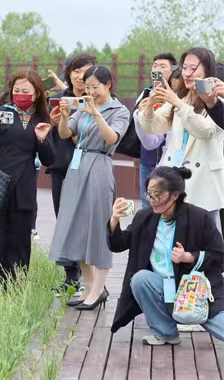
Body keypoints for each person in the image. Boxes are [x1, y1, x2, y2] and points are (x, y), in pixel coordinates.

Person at [108, 166, 224, 345]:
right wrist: (114, 220)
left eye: (158, 196)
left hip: (193, 290)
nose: (152, 201)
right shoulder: (144, 217)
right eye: (149, 195)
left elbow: (219, 254)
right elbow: (118, 244)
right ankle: (165, 332)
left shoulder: (199, 217)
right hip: (162, 286)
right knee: (140, 279)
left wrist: (189, 257)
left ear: (175, 195)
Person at [49, 65, 131, 310]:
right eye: (87, 87)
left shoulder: (120, 110)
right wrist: (64, 116)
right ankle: (90, 286)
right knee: (76, 227)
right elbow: (66, 134)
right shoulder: (82, 105)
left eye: (96, 86)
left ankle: (97, 291)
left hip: (99, 165)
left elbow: (112, 139)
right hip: (77, 165)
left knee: (98, 226)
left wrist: (96, 113)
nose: (91, 91)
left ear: (109, 85)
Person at [0, 70, 54, 286]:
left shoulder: (41, 119)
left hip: (24, 187)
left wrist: (42, 139)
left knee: (19, 240)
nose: (20, 94)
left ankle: (16, 285)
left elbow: (49, 159)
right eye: (16, 90)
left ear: (37, 93)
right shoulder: (0, 112)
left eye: (25, 91)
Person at [138, 47, 224, 227]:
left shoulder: (217, 100)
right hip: (174, 175)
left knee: (202, 238)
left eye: (193, 68)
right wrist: (149, 106)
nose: (187, 73)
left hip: (203, 181)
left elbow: (205, 130)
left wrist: (175, 102)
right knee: (173, 237)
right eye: (184, 67)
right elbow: (153, 127)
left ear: (207, 69)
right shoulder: (182, 98)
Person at [47, 53, 96, 293]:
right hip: (63, 168)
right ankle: (71, 274)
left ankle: (92, 279)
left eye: (84, 71)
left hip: (92, 169)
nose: (79, 76)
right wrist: (53, 121)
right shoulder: (58, 100)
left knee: (89, 222)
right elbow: (47, 134)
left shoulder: (100, 100)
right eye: (75, 71)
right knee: (64, 220)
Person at [125, 53, 178, 209]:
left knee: (169, 203)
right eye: (155, 66)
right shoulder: (146, 92)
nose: (157, 69)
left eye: (163, 66)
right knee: (147, 201)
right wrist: (145, 108)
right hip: (148, 155)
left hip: (169, 156)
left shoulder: (177, 95)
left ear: (173, 70)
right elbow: (137, 119)